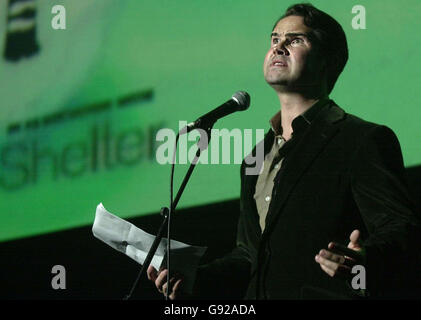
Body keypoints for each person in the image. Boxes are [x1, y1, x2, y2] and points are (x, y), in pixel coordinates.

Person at [148, 3, 421, 299]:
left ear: (327, 60)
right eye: (275, 39)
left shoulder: (361, 140)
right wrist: (195, 280)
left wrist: (366, 259)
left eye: (296, 40)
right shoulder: (255, 156)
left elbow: (401, 228)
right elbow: (250, 256)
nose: (279, 47)